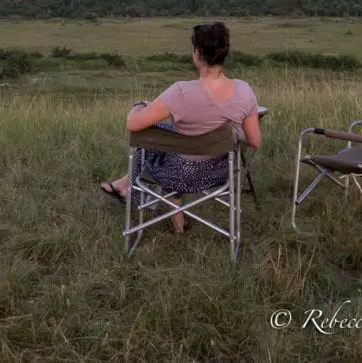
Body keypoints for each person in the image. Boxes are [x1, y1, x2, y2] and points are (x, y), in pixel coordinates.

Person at [99, 22, 262, 233]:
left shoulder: (181, 92)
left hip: (176, 174)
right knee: (169, 136)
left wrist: (138, 106)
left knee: (151, 135)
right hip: (220, 173)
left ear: (196, 52)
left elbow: (133, 125)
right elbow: (255, 141)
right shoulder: (244, 90)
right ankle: (135, 192)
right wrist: (233, 130)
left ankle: (131, 190)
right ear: (225, 52)